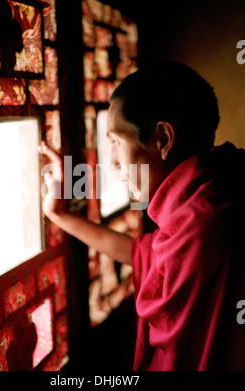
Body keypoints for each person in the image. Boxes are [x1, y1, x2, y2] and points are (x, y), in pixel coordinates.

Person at [38, 61, 245, 370]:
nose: (112, 163)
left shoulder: (205, 228)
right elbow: (139, 253)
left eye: (115, 143)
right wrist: (60, 215)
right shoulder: (203, 199)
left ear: (162, 139)